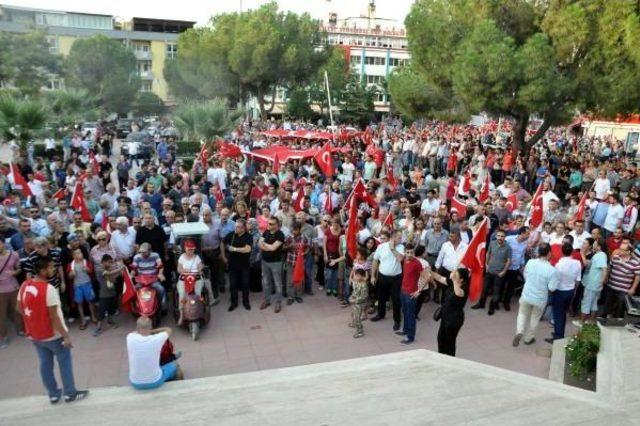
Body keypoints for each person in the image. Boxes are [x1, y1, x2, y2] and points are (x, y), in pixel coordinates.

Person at [17, 257, 89, 403]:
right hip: (53, 336)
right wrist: (66, 336)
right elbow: (54, 318)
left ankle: (53, 394)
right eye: (50, 267)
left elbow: (18, 308)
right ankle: (70, 393)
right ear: (43, 271)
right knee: (64, 363)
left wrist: (34, 321)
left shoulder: (25, 285)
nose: (54, 269)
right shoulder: (48, 289)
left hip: (35, 335)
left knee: (45, 364)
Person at [513, 243, 558, 347]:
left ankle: (519, 331)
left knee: (522, 314)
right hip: (540, 298)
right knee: (535, 318)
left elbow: (525, 275)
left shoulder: (530, 262)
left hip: (526, 294)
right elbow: (552, 288)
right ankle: (528, 338)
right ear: (549, 253)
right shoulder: (552, 270)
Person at [127, 316, 183, 389]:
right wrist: (152, 331)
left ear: (137, 328)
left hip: (135, 383)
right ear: (150, 327)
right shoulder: (156, 339)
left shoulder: (130, 337)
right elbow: (168, 329)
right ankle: (181, 388)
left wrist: (144, 330)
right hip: (155, 382)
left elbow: (134, 332)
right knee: (176, 365)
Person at [431, 268, 470, 357]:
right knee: (440, 338)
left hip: (454, 319)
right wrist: (430, 271)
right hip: (445, 316)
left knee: (450, 342)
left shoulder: (464, 288)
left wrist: (454, 280)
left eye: (456, 274)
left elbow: (458, 293)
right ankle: (441, 356)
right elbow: (440, 278)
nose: (453, 274)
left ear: (461, 280)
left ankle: (450, 359)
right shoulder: (453, 282)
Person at [370, 230, 405, 331]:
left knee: (396, 300)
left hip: (396, 278)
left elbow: (400, 259)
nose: (401, 239)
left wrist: (393, 249)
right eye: (399, 237)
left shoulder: (401, 247)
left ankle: (397, 320)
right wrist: (372, 276)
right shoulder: (381, 247)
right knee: (381, 297)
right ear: (393, 238)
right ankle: (381, 314)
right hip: (382, 276)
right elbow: (375, 261)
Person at [548, 242, 582, 343]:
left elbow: (555, 279)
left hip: (559, 292)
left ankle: (558, 336)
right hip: (570, 291)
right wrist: (574, 290)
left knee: (558, 315)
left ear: (562, 252)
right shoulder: (577, 263)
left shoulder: (559, 264)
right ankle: (559, 332)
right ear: (572, 251)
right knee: (563, 314)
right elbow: (578, 280)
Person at [472, 229, 512, 315]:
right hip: (489, 271)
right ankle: (481, 304)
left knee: (496, 292)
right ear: (496, 236)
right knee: (485, 289)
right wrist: (486, 264)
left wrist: (504, 271)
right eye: (499, 236)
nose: (500, 238)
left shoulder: (508, 248)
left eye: (502, 236)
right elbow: (488, 253)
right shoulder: (492, 243)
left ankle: (492, 307)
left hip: (499, 273)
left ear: (505, 237)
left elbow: (509, 260)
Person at [221, 219, 253, 311]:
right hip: (232, 265)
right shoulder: (231, 235)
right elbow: (222, 243)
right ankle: (233, 303)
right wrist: (223, 256)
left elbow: (247, 249)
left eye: (238, 227)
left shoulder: (248, 236)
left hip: (244, 265)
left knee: (245, 284)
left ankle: (246, 302)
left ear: (243, 228)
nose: (235, 228)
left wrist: (234, 249)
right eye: (235, 226)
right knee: (232, 285)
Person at [574, 238, 607, 326]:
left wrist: (602, 281)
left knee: (586, 301)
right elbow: (590, 264)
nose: (593, 245)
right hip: (595, 283)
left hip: (593, 283)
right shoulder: (598, 254)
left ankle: (581, 321)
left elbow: (604, 268)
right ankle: (592, 321)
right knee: (593, 303)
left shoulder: (601, 255)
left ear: (599, 246)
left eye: (595, 243)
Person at [397, 244, 424, 345]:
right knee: (404, 311)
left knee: (411, 315)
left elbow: (426, 277)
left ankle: (410, 337)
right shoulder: (404, 260)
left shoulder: (417, 263)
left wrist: (419, 291)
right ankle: (405, 330)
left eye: (411, 252)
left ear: (414, 253)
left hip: (411, 293)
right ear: (405, 252)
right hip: (403, 291)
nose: (409, 254)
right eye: (407, 252)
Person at [259, 216, 285, 313]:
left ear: (276, 225)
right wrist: (267, 247)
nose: (268, 225)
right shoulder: (266, 232)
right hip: (264, 262)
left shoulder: (280, 235)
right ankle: (266, 300)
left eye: (271, 224)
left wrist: (264, 245)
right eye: (268, 223)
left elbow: (273, 248)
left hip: (276, 263)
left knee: (277, 283)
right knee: (265, 282)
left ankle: (278, 302)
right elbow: (259, 244)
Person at [67, 248, 97, 330]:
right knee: (79, 303)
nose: (79, 254)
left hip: (87, 284)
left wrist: (87, 269)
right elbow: (69, 276)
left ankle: (94, 317)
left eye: (80, 252)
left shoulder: (86, 262)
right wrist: (71, 274)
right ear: (73, 256)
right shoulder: (71, 265)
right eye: (76, 253)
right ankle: (83, 321)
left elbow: (91, 271)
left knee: (90, 301)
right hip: (77, 286)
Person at [176, 239, 204, 325]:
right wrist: (183, 270)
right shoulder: (181, 257)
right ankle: (181, 315)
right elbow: (178, 269)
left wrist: (200, 270)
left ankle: (199, 312)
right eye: (189, 249)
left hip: (196, 277)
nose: (191, 251)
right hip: (184, 278)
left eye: (192, 249)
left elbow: (200, 267)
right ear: (185, 248)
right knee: (182, 295)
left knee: (198, 294)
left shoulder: (197, 257)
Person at [0, 239, 22, 348]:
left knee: (17, 309)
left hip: (13, 286)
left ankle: (20, 329)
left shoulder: (14, 255)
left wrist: (15, 272)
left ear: (3, 243)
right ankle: (3, 336)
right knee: (1, 314)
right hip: (1, 290)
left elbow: (19, 268)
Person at [93, 254, 122, 337]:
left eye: (111, 262)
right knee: (101, 311)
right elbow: (109, 274)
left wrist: (118, 273)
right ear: (103, 262)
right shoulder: (99, 269)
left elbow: (113, 278)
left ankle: (110, 321)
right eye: (109, 262)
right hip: (104, 294)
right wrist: (119, 269)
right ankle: (98, 327)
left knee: (112, 309)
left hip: (112, 292)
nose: (110, 264)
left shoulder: (110, 269)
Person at [349, 268, 368, 339]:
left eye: (357, 276)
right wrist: (351, 297)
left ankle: (360, 331)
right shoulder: (357, 282)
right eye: (355, 275)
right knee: (353, 314)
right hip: (355, 303)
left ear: (362, 276)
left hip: (360, 304)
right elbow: (354, 292)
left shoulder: (364, 285)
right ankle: (354, 323)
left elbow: (364, 297)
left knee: (357, 318)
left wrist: (355, 301)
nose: (355, 277)